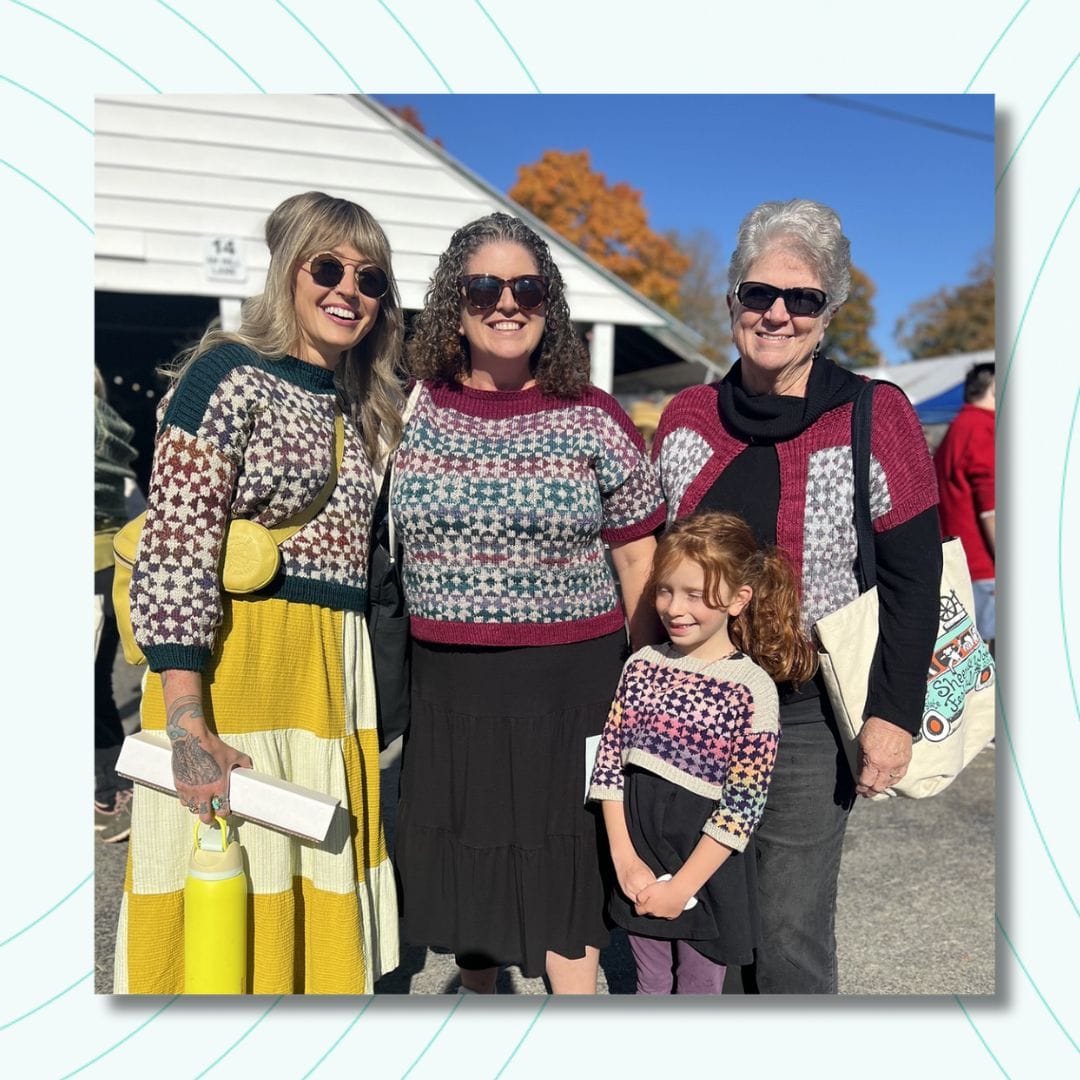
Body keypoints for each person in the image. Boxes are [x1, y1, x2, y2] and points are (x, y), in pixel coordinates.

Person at [115, 191, 403, 994]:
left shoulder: (362, 399)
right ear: (287, 271)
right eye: (328, 268)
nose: (348, 290)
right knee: (227, 897)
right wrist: (187, 724)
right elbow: (175, 548)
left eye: (370, 278)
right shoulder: (227, 375)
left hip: (330, 674)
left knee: (310, 885)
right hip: (239, 666)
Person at [652, 198, 941, 994]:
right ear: (732, 301)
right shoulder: (687, 418)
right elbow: (654, 565)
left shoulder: (876, 415)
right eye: (759, 293)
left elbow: (915, 579)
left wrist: (893, 716)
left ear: (828, 314)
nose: (777, 313)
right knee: (708, 922)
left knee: (787, 931)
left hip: (808, 713)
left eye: (802, 298)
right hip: (698, 706)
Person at [392, 212, 665, 994]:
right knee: (473, 892)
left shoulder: (593, 414)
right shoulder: (410, 408)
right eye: (484, 287)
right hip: (451, 690)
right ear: (455, 303)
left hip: (572, 687)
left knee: (564, 885)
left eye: (527, 288)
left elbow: (638, 556)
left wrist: (647, 682)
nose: (506, 303)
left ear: (551, 304)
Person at [590, 512, 818, 994]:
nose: (675, 608)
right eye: (665, 590)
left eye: (695, 595)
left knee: (699, 990)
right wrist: (625, 860)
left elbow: (742, 807)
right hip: (639, 859)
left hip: (706, 870)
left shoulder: (752, 688)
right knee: (650, 984)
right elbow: (607, 765)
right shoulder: (640, 667)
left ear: (739, 599)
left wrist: (682, 886)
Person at [94, 368, 145, 843]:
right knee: (97, 685)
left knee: (90, 689)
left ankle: (112, 790)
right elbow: (136, 516)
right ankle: (111, 787)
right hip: (107, 572)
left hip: (91, 570)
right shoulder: (111, 444)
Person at [934, 362, 995, 650]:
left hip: (960, 564)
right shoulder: (983, 428)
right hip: (985, 567)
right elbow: (992, 509)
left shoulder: (957, 428)